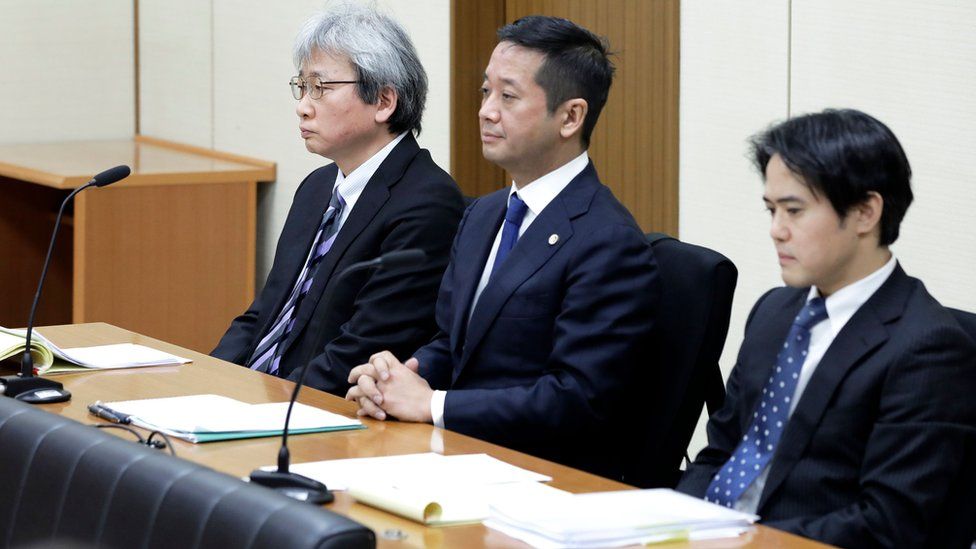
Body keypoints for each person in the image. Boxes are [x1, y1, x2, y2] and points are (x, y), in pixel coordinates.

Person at [345, 15, 659, 479]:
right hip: (453, 453)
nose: (487, 111)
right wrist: (402, 376)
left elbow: (575, 399)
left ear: (570, 117)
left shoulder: (608, 242)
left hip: (539, 477)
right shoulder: (483, 214)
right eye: (485, 92)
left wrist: (432, 404)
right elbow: (454, 345)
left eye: (508, 97)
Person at [677, 108, 976, 547]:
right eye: (771, 210)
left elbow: (888, 523)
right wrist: (671, 526)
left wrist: (744, 543)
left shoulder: (928, 347)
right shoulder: (774, 312)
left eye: (794, 211)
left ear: (865, 212)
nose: (777, 231)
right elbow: (719, 454)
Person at [211, 5, 463, 396]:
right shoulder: (317, 187)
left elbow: (361, 349)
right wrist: (208, 383)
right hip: (262, 397)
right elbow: (263, 314)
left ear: (384, 101)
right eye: (302, 87)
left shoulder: (427, 204)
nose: (303, 105)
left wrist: (260, 406)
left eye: (321, 88)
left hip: (318, 412)